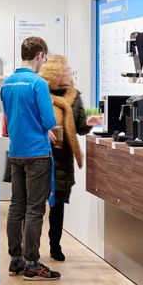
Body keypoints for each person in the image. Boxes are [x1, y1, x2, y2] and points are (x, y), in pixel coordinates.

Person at [0, 36, 61, 281]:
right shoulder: (38, 83)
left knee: (17, 206)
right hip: (37, 154)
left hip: (16, 152)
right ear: (39, 55)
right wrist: (47, 125)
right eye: (44, 58)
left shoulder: (7, 83)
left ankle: (16, 260)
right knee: (35, 209)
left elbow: (11, 117)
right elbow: (48, 121)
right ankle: (33, 263)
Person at [38, 55, 100, 262]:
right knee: (35, 206)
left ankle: (55, 246)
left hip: (63, 159)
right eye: (66, 70)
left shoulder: (74, 95)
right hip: (40, 154)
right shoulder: (39, 92)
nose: (70, 73)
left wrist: (91, 120)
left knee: (58, 207)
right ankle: (31, 250)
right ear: (56, 73)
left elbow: (81, 128)